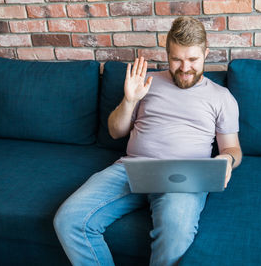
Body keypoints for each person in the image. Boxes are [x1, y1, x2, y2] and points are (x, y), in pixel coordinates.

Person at [54, 16, 242, 266]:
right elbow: (115, 131)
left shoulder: (221, 97)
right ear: (167, 54)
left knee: (175, 231)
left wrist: (226, 160)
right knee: (68, 219)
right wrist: (129, 100)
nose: (185, 68)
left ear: (206, 53)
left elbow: (232, 147)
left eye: (193, 60)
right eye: (176, 59)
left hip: (185, 178)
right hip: (131, 169)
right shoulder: (146, 82)